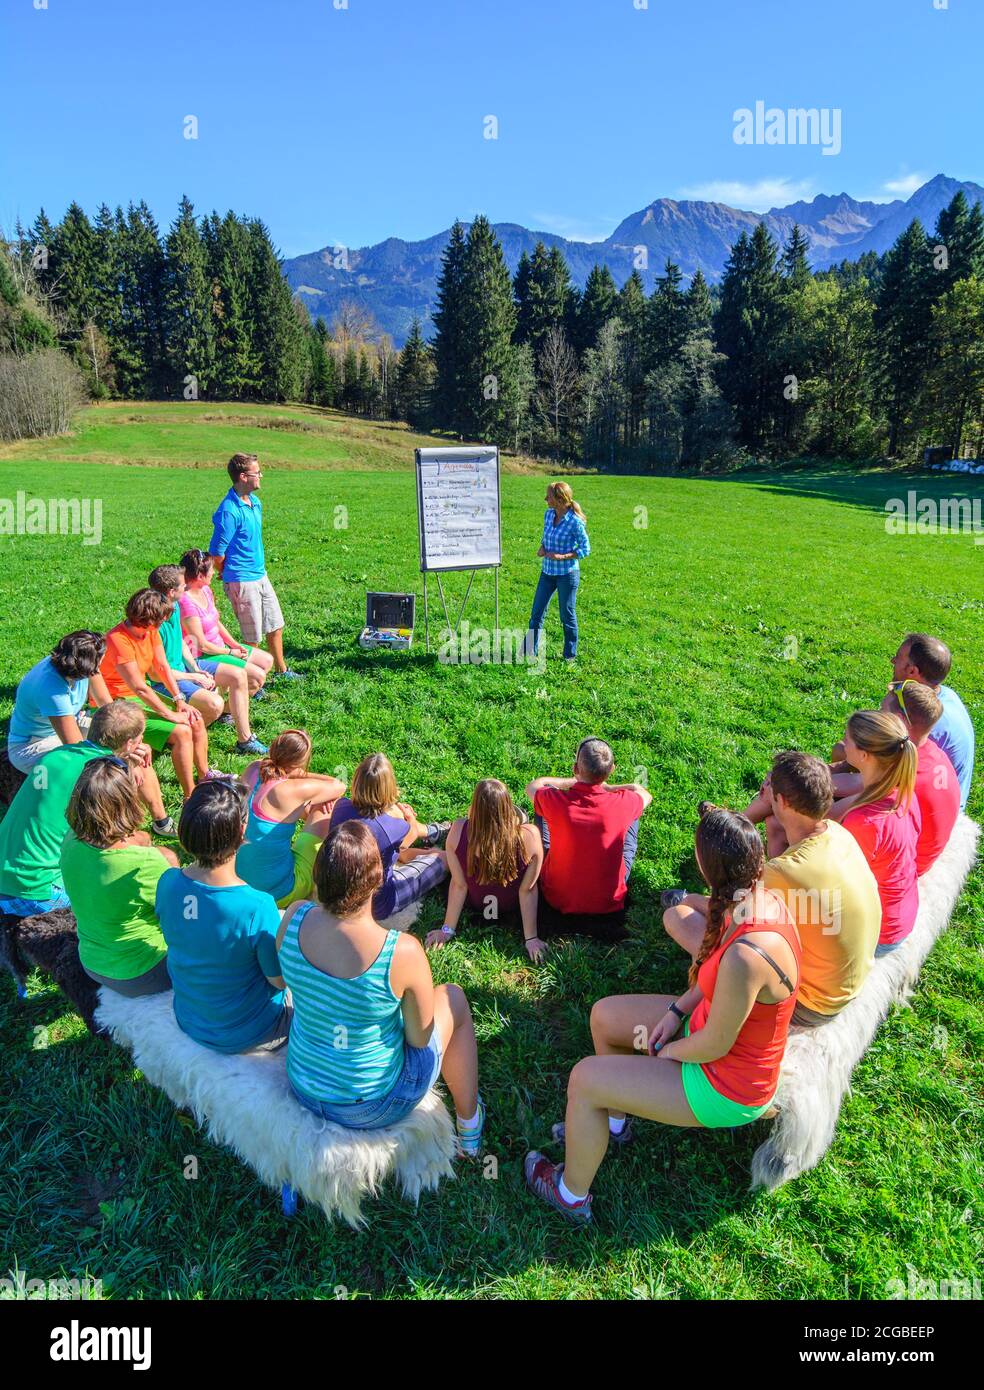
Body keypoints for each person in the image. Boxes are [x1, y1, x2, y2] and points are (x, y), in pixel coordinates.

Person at [524, 807, 800, 1224]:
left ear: (708, 869)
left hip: (724, 1084)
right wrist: (676, 1010)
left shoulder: (749, 954)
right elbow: (711, 981)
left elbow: (715, 1045)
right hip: (704, 1031)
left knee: (583, 1079)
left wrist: (668, 1051)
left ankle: (570, 1195)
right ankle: (613, 1125)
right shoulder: (753, 898)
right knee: (603, 1017)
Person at [277, 820, 483, 1149]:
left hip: (304, 1083)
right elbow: (419, 1039)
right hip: (372, 1104)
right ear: (376, 881)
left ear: (318, 874)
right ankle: (469, 1127)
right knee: (453, 998)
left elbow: (279, 979)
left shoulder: (293, 917)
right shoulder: (400, 951)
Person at [666, 754, 880, 1028]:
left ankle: (716, 988)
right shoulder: (837, 833)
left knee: (677, 916)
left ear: (783, 802)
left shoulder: (783, 872)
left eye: (769, 787)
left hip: (809, 1004)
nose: (763, 789)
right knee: (773, 829)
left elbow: (731, 914)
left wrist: (689, 899)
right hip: (844, 986)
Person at [0, 701, 171, 919]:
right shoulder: (100, 780)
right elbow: (117, 841)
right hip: (36, 892)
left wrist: (124, 762)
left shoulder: (55, 755)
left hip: (5, 874)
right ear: (129, 744)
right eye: (141, 737)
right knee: (139, 870)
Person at [156, 781, 291, 1053]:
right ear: (242, 831)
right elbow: (279, 981)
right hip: (250, 1031)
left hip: (189, 1018)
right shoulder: (257, 906)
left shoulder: (167, 882)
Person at [61, 757, 178, 997]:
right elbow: (179, 917)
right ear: (126, 803)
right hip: (144, 971)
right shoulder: (144, 864)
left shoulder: (71, 839)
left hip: (92, 962)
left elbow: (133, 840)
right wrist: (171, 862)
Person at [526, 738, 651, 941]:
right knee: (633, 816)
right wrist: (609, 788)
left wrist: (571, 782)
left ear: (575, 768)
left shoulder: (555, 800)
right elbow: (643, 793)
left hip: (556, 896)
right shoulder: (622, 802)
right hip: (608, 901)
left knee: (540, 807)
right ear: (611, 770)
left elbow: (535, 785)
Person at [99, 589, 219, 800]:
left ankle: (204, 776)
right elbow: (139, 688)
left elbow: (162, 666)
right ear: (148, 619)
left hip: (139, 696)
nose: (164, 623)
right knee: (182, 732)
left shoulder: (150, 632)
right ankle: (190, 795)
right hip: (119, 702)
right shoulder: (118, 639)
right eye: (161, 619)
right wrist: (170, 715)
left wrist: (179, 699)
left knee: (195, 719)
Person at [149, 563, 267, 756]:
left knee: (238, 675)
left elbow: (181, 643)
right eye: (182, 585)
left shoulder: (174, 607)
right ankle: (178, 737)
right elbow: (156, 673)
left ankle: (245, 740)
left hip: (185, 670)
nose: (186, 587)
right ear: (171, 592)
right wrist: (194, 678)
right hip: (166, 682)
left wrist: (195, 668)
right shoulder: (153, 621)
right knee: (215, 704)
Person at [829, 711, 920, 957]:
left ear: (864, 755)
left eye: (846, 739)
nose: (842, 743)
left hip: (879, 933)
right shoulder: (900, 789)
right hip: (902, 914)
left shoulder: (865, 823)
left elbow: (834, 886)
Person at [425, 779, 545, 962]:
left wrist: (446, 930)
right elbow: (527, 890)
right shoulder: (530, 836)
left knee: (440, 854)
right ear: (508, 808)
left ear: (474, 808)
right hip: (511, 907)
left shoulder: (458, 830)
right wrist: (531, 938)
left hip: (476, 904)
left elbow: (459, 885)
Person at [209, 453, 300, 680]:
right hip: (242, 579)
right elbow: (216, 553)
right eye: (256, 473)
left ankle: (282, 670)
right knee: (252, 637)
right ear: (243, 477)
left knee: (275, 625)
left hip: (260, 574)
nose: (260, 476)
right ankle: (254, 681)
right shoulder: (228, 511)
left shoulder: (255, 503)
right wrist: (226, 573)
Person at [330, 753, 449, 921]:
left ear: (356, 782)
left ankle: (435, 831)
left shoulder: (340, 806)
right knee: (442, 858)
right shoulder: (395, 827)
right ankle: (436, 833)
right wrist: (410, 818)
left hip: (340, 894)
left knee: (391, 851)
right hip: (377, 904)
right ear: (389, 787)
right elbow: (409, 837)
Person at [236, 730, 346, 907]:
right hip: (278, 893)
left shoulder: (253, 768)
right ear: (300, 762)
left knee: (300, 807)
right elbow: (339, 785)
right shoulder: (291, 790)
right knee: (326, 806)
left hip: (238, 881)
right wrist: (300, 775)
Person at [882, 682, 960, 876]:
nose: (877, 715)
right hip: (927, 852)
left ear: (898, 720)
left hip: (908, 866)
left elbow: (858, 795)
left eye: (881, 711)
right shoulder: (933, 752)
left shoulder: (903, 769)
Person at [890, 633, 974, 811]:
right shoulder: (944, 695)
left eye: (897, 658)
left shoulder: (924, 721)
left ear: (912, 671)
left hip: (932, 810)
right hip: (939, 797)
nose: (892, 661)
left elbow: (892, 773)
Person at [7, 631, 111, 773]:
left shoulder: (81, 665)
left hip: (70, 723)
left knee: (118, 740)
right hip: (33, 744)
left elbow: (107, 706)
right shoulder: (51, 689)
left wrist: (128, 735)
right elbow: (76, 747)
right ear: (89, 663)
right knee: (90, 772)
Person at [177, 548, 274, 699]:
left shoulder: (205, 590)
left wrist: (234, 644)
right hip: (203, 656)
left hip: (220, 647)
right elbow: (201, 645)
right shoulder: (186, 603)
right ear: (199, 575)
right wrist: (230, 652)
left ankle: (235, 691)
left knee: (267, 661)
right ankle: (226, 711)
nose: (214, 572)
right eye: (210, 570)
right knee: (257, 676)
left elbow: (216, 622)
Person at [527, 482, 590, 663]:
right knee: (536, 614)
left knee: (566, 615)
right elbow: (547, 534)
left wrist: (563, 556)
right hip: (547, 572)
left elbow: (586, 549)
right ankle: (529, 651)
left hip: (567, 575)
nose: (546, 499)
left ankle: (569, 655)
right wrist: (542, 546)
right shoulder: (548, 515)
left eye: (549, 496)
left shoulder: (574, 522)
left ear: (559, 499)